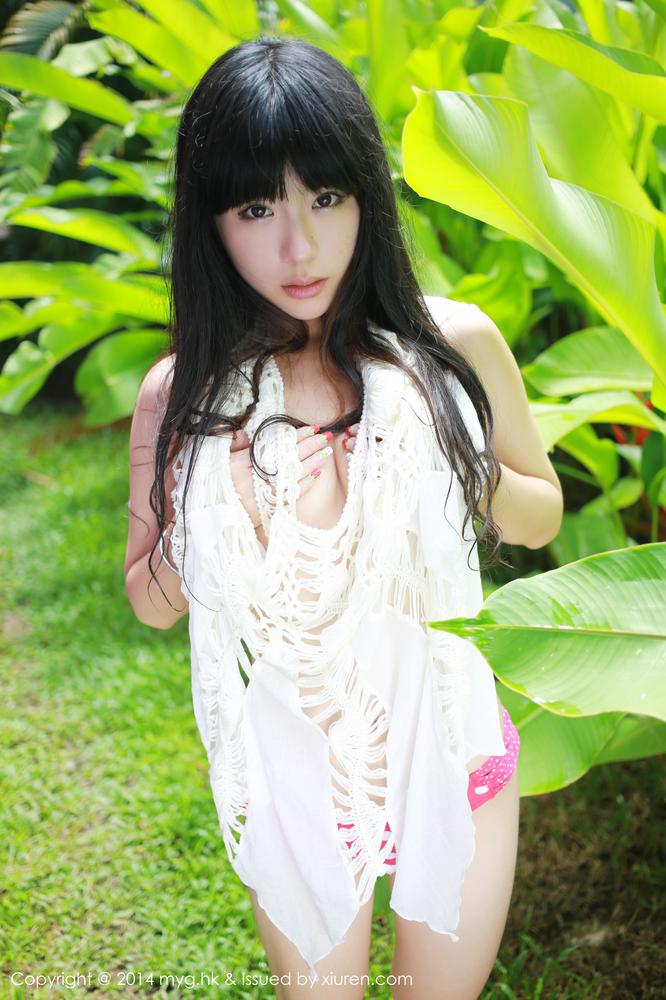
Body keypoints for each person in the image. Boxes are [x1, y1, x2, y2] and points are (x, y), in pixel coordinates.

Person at [124, 34, 563, 1000]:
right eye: (257, 209)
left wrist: (449, 454)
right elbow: (150, 601)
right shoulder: (184, 394)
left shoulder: (449, 345)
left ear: (367, 195)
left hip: (447, 743)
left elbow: (539, 517)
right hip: (295, 768)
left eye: (325, 198)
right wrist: (213, 509)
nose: (301, 246)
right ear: (211, 222)